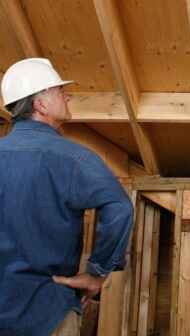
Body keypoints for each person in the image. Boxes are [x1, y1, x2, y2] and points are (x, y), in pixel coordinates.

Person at [0, 58, 133, 336]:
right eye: (59, 91)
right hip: (48, 312)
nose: (67, 95)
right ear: (40, 104)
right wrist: (97, 272)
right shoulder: (73, 158)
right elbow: (120, 208)